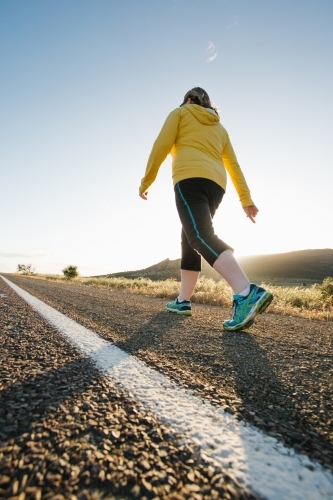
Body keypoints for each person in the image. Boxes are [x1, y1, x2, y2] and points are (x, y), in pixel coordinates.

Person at [139, 87, 273, 331]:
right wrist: (245, 198)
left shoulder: (180, 113)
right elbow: (233, 164)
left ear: (189, 100)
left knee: (199, 235)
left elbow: (161, 144)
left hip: (189, 179)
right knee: (189, 236)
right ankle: (183, 301)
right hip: (215, 186)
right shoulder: (220, 128)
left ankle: (246, 293)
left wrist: (146, 181)